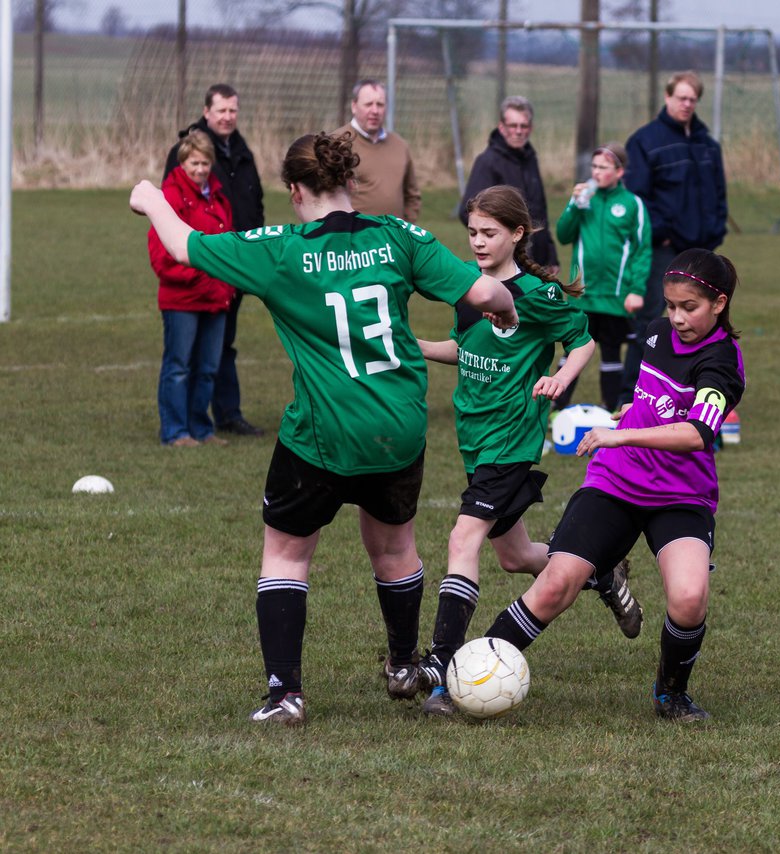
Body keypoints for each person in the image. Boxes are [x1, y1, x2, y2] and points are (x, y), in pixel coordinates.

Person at [131, 132, 518, 726]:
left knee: (287, 554)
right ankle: (402, 665)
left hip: (324, 430)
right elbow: (488, 291)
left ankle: (286, 693)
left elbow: (184, 245)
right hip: (399, 427)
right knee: (394, 547)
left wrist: (152, 199)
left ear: (295, 191)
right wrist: (508, 314)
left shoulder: (282, 249)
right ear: (346, 185)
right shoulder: (398, 235)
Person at [478, 248, 746, 723]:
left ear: (719, 303)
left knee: (688, 597)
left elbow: (697, 433)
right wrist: (630, 414)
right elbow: (651, 399)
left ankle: (671, 694)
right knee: (556, 584)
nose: (677, 318)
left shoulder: (722, 361)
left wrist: (618, 433)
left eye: (690, 307)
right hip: (616, 481)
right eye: (670, 305)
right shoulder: (657, 334)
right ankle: (472, 670)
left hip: (681, 496)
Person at [414, 186, 639, 716]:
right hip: (473, 437)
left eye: (489, 233)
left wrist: (561, 377)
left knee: (462, 538)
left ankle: (441, 671)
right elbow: (463, 347)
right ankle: (600, 572)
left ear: (518, 234)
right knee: (515, 557)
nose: (478, 242)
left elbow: (582, 341)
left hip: (510, 440)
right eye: (472, 232)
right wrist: (416, 347)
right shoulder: (467, 290)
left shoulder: (539, 294)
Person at [165, 83, 266, 437]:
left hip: (235, 269)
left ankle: (223, 416)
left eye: (233, 110)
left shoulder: (242, 151)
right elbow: (168, 216)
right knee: (185, 357)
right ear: (206, 112)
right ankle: (182, 426)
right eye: (221, 110)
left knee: (221, 348)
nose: (228, 117)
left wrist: (254, 256)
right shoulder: (187, 150)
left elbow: (254, 205)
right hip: (200, 273)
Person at [621, 71, 728, 406]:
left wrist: (716, 229)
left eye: (692, 99)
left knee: (703, 323)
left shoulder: (707, 145)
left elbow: (719, 194)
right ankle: (630, 399)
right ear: (667, 97)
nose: (686, 104)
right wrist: (666, 233)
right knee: (654, 323)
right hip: (663, 250)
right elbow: (638, 199)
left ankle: (695, 397)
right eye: (681, 98)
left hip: (702, 249)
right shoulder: (645, 142)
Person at [148, 129, 235, 447]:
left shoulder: (218, 195)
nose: (200, 170)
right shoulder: (169, 198)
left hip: (216, 298)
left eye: (205, 163)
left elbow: (228, 244)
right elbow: (162, 256)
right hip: (182, 299)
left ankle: (201, 428)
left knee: (208, 368)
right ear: (182, 163)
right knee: (179, 366)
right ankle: (175, 431)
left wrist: (226, 280)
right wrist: (204, 277)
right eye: (194, 163)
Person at [553, 142, 651, 412]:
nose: (596, 172)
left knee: (611, 352)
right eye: (594, 166)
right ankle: (556, 409)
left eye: (603, 167)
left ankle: (610, 409)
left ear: (619, 172)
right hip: (582, 295)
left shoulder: (633, 204)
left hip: (615, 297)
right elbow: (563, 235)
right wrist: (574, 205)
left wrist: (636, 290)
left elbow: (643, 250)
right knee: (573, 350)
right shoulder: (584, 198)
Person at [459, 96, 559, 273]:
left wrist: (549, 254)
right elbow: (468, 212)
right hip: (508, 265)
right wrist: (499, 243)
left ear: (531, 128)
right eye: (513, 126)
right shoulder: (487, 162)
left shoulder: (530, 159)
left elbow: (539, 210)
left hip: (536, 262)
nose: (519, 131)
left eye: (524, 126)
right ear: (502, 127)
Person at [334, 79, 422, 222]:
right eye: (368, 104)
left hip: (394, 239)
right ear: (354, 106)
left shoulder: (400, 146)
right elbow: (323, 196)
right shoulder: (338, 144)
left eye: (380, 104)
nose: (375, 111)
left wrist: (406, 229)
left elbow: (412, 195)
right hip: (353, 239)